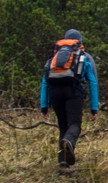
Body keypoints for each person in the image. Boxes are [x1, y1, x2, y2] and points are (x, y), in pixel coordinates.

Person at [41, 29, 99, 168]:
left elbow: (44, 81)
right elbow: (93, 82)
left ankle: (63, 162)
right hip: (74, 92)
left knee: (63, 126)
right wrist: (94, 107)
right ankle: (68, 143)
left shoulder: (54, 58)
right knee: (74, 125)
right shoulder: (84, 57)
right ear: (79, 41)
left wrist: (44, 105)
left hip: (54, 92)